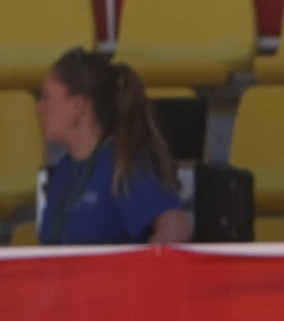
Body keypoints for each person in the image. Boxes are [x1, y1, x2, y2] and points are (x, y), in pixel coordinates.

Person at [34, 48, 190, 246]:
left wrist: (137, 274)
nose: (39, 108)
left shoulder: (122, 163)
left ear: (77, 106)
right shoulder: (65, 169)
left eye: (46, 97)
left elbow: (176, 226)